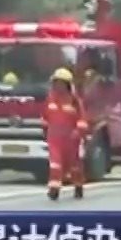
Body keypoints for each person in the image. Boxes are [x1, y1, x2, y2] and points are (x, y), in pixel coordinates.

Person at [44, 67, 90, 201]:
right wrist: (45, 130)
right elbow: (45, 117)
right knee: (55, 163)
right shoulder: (50, 99)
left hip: (71, 138)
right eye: (57, 82)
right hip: (54, 137)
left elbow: (82, 119)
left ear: (68, 84)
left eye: (62, 83)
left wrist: (79, 132)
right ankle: (54, 188)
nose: (59, 86)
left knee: (74, 165)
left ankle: (78, 185)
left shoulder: (74, 101)